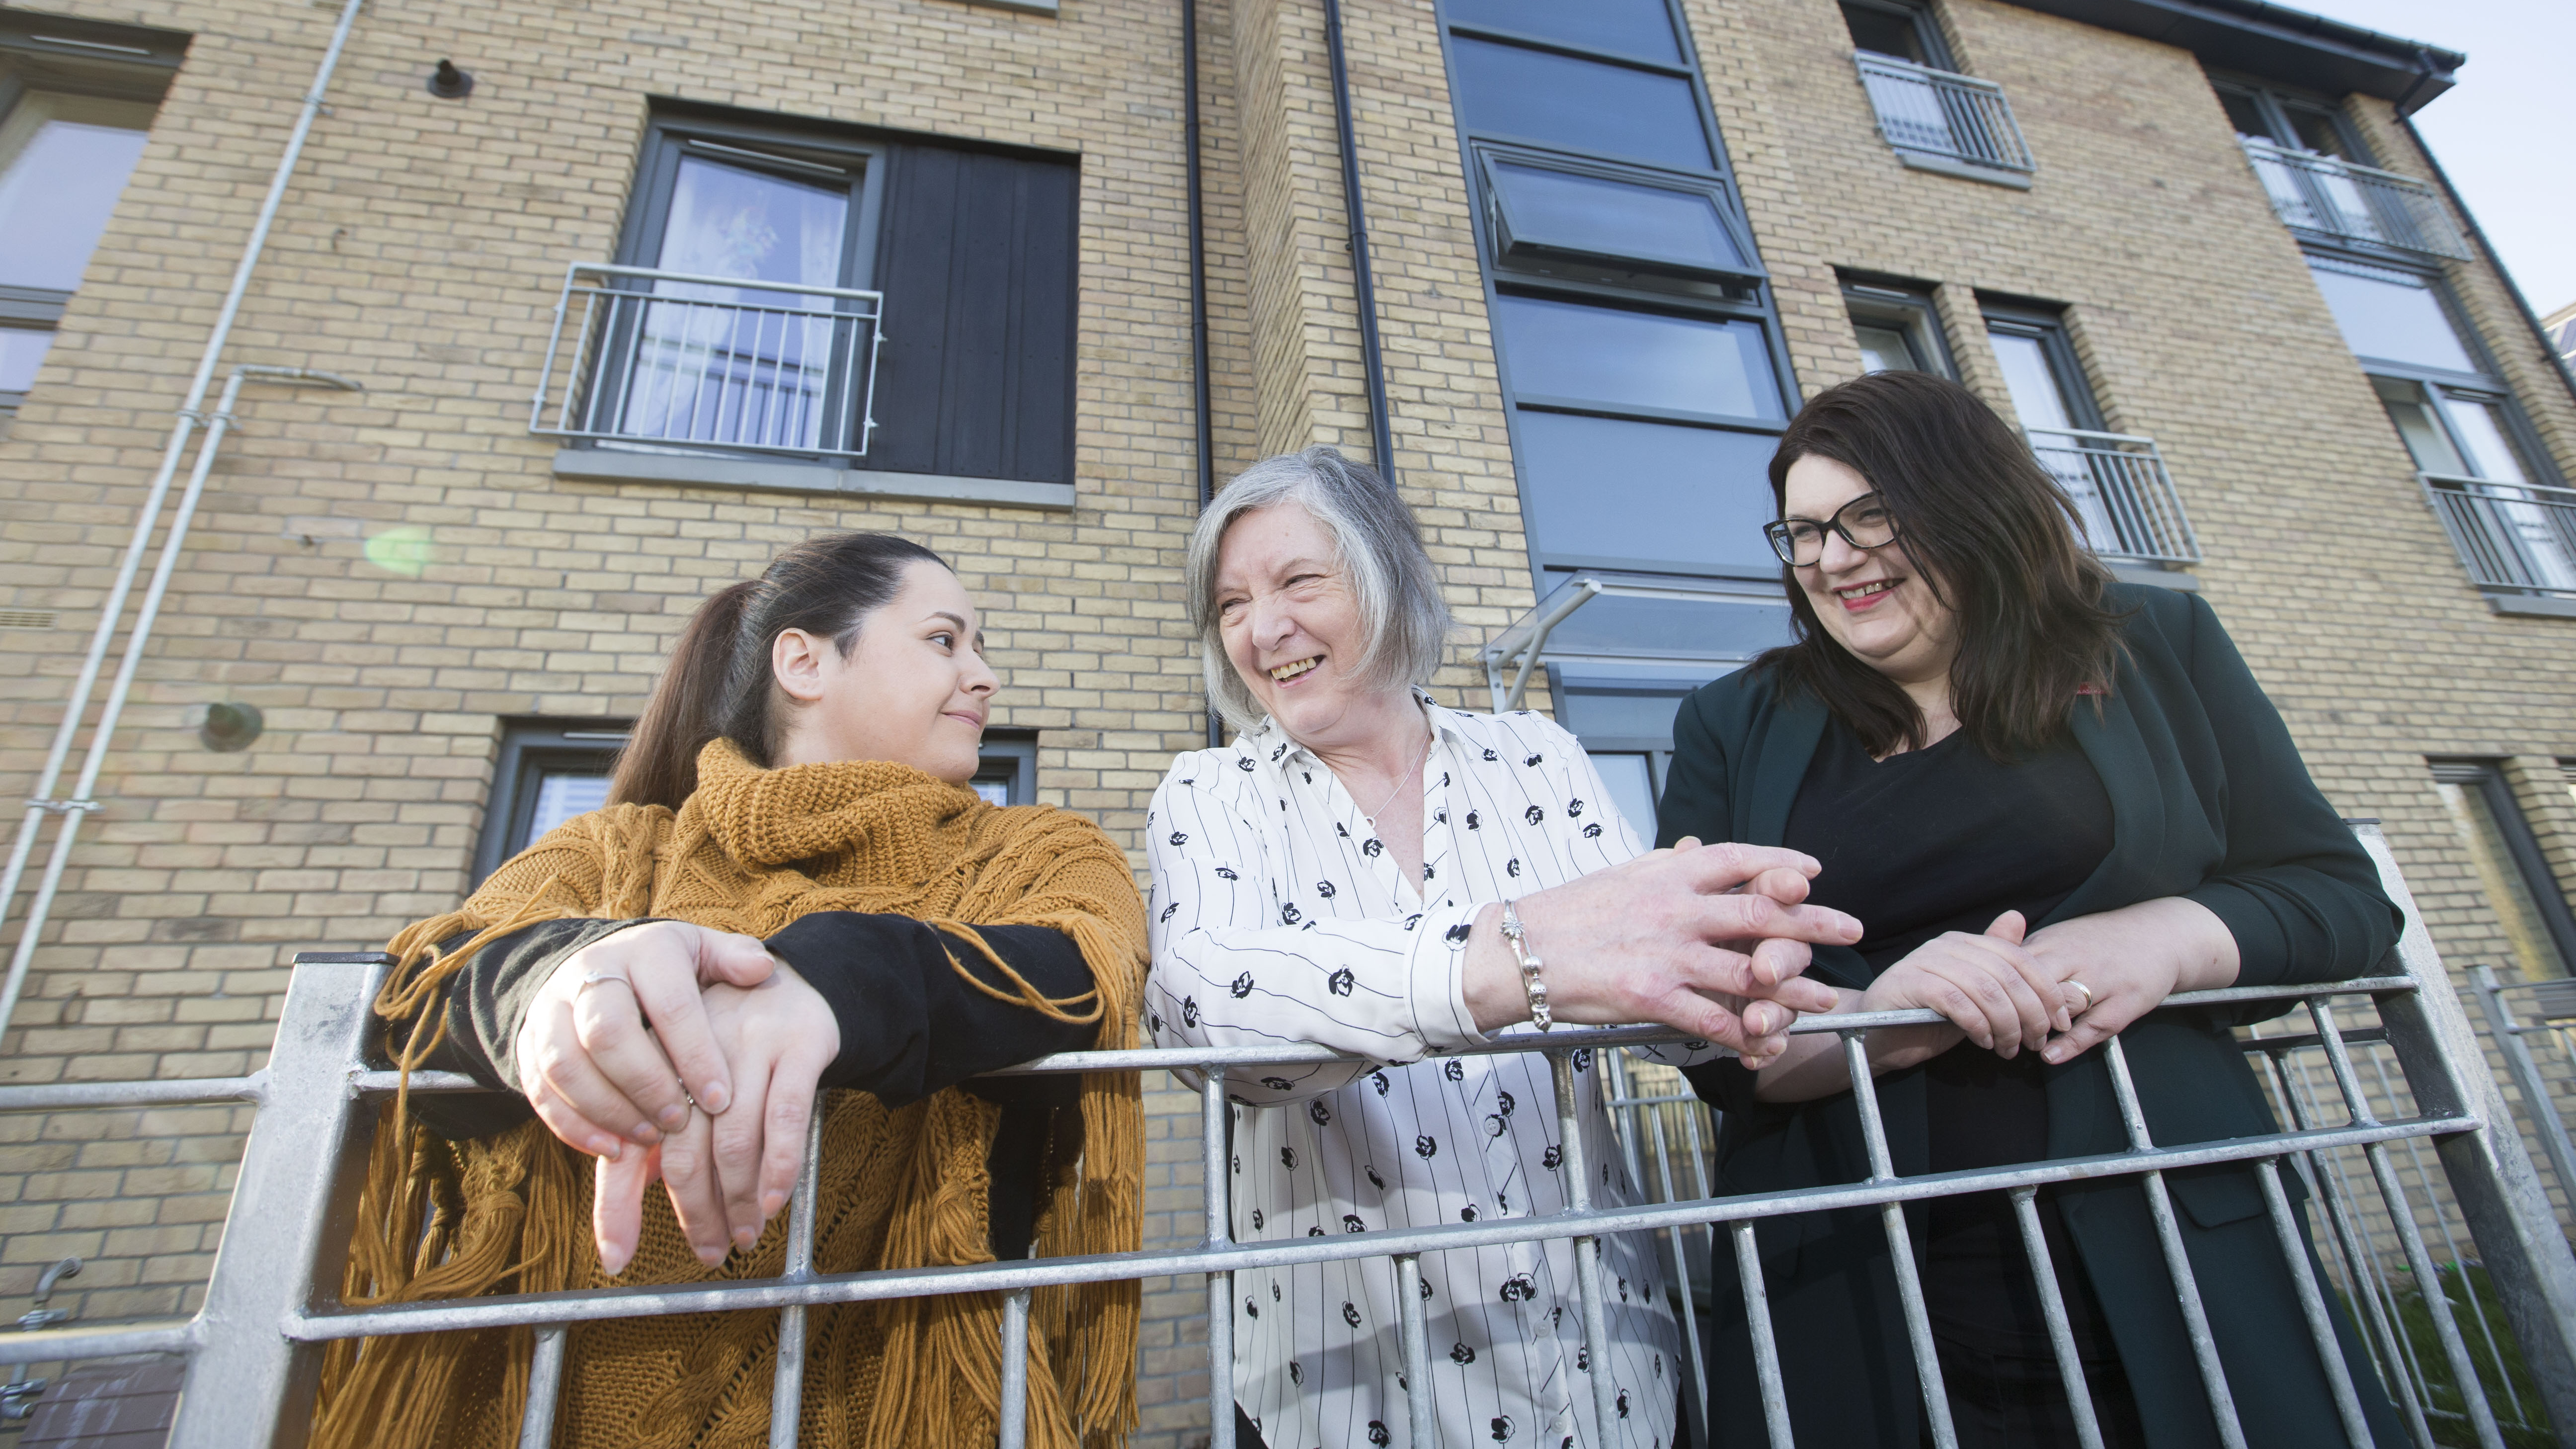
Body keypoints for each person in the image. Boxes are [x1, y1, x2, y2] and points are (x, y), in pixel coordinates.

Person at [1658, 371, 2404, 1449]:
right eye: (1804, 531)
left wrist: (2163, 938)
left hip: (2172, 1241)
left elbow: (2341, 901)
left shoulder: (2157, 644)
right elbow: (1703, 1020)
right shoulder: (1732, 721)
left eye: (1871, 516)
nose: (1831, 558)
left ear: (1971, 500)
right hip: (1855, 1274)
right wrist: (1882, 1022)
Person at [314, 532, 1149, 1449]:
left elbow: (1086, 957)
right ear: (804, 661)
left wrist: (833, 982)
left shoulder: (1039, 852)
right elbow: (431, 979)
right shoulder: (613, 852)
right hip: (530, 1408)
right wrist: (551, 986)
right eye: (947, 641)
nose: (986, 677)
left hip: (910, 1407)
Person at [1146, 446, 1863, 1449]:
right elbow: (1201, 1003)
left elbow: (1662, 1009)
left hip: (1610, 1374)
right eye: (1231, 604)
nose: (1264, 630)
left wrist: (1740, 976)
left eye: (1300, 581)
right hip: (1352, 1399)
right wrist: (1508, 961)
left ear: (1388, 576)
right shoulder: (1211, 794)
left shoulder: (1537, 757)